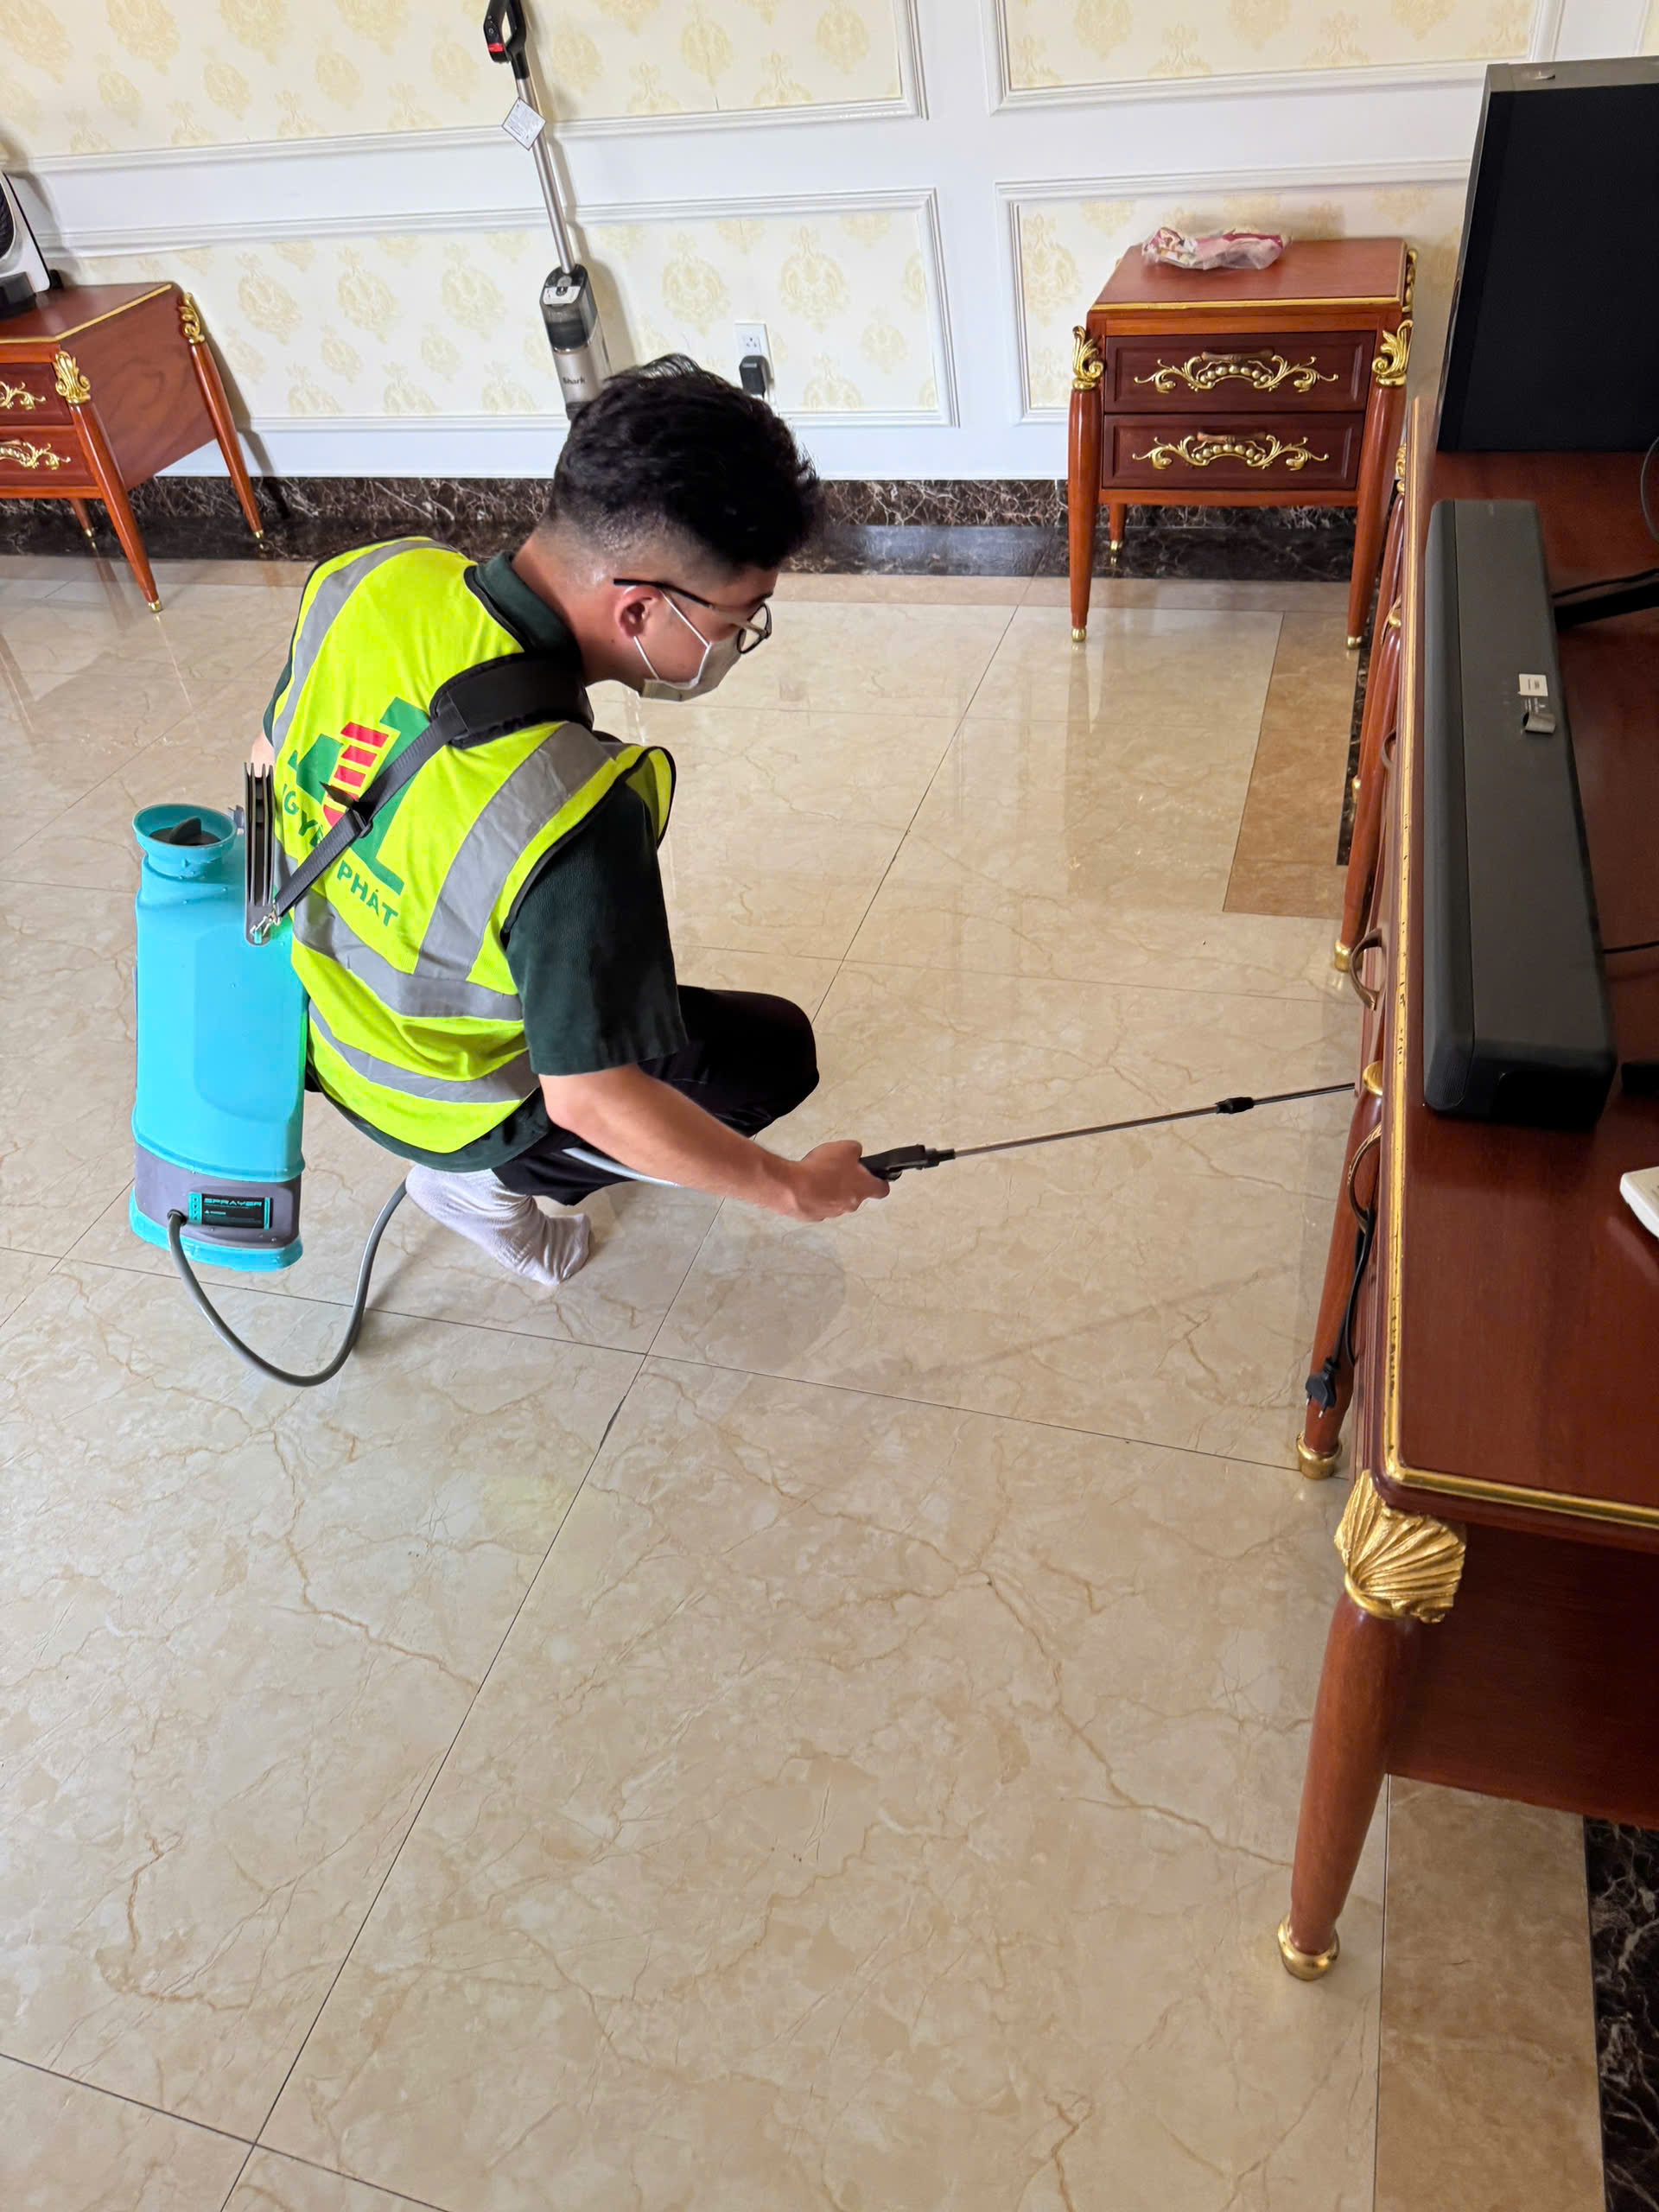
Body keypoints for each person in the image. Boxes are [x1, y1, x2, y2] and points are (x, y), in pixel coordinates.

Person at [263, 355, 887, 1287]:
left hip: (313, 1016)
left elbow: (269, 760)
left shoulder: (371, 578)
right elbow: (592, 1099)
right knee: (772, 1056)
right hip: (440, 1100)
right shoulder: (576, 818)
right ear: (639, 608)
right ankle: (478, 1187)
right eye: (738, 620)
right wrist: (793, 1188)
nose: (733, 645)